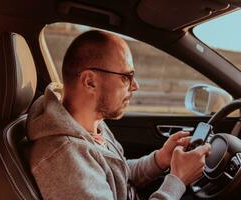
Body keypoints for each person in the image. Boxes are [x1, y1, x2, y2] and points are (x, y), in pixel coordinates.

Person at [26, 30, 211, 200]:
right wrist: (177, 180)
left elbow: (117, 173)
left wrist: (159, 159)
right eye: (126, 77)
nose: (135, 86)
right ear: (90, 81)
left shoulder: (90, 123)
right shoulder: (65, 161)